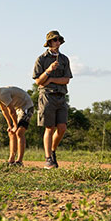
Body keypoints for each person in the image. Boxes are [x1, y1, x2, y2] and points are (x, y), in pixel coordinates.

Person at [33, 30, 72, 168]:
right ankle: (48, 158)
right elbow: (39, 81)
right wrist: (48, 70)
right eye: (54, 40)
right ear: (49, 43)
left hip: (61, 96)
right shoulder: (41, 59)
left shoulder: (64, 59)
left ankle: (53, 150)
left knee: (62, 128)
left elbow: (66, 79)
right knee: (49, 128)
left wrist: (51, 79)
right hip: (47, 96)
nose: (57, 42)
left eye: (59, 40)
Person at [0, 85, 35, 165]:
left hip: (27, 106)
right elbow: (4, 111)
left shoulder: (3, 94)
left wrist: (15, 126)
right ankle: (11, 160)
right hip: (18, 109)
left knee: (19, 132)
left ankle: (19, 161)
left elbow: (12, 111)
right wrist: (10, 125)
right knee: (11, 133)